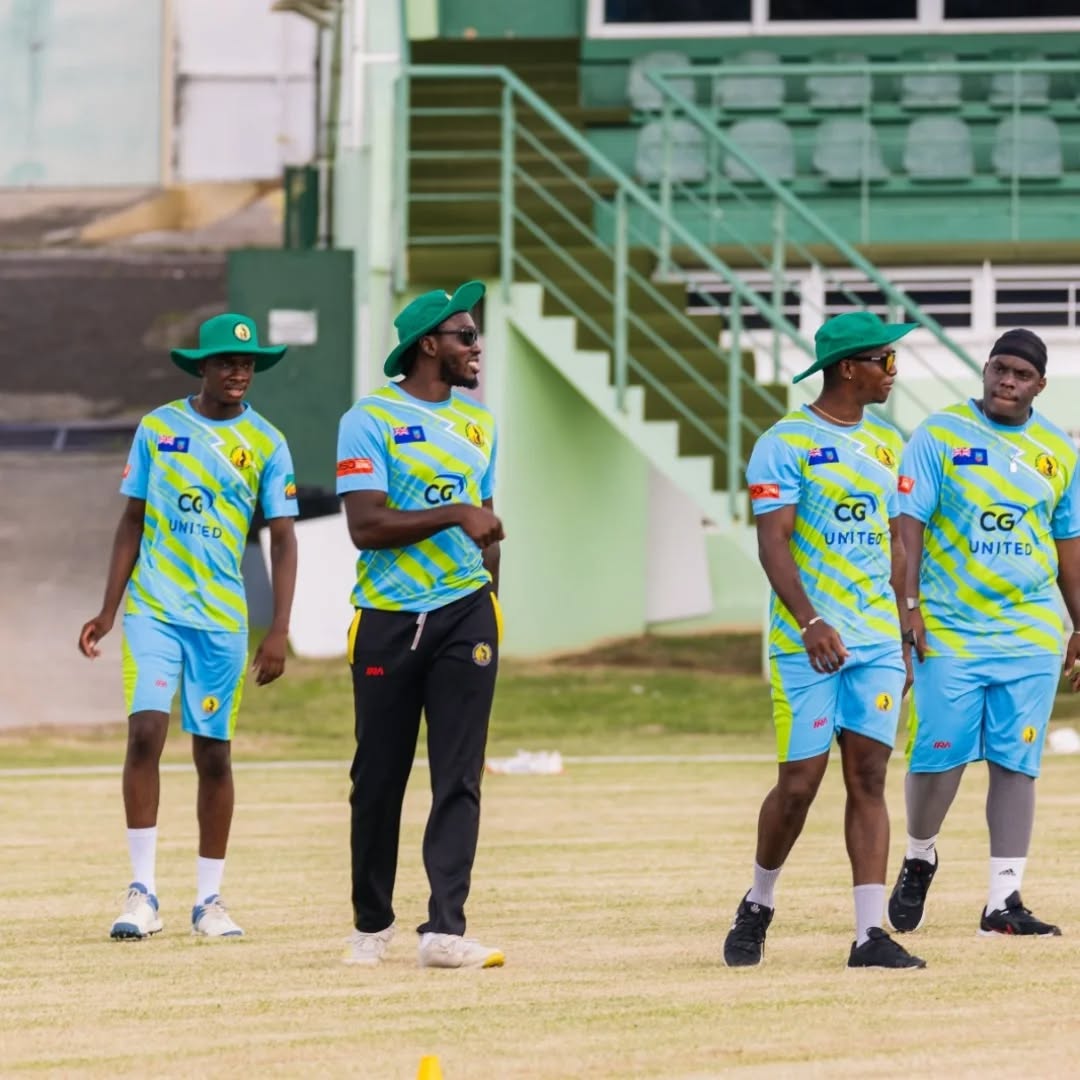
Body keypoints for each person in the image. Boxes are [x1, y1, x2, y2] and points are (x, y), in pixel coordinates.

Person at [79, 313, 298, 940]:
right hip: (155, 608)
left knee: (214, 754)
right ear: (201, 366)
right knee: (146, 733)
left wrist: (278, 628)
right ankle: (143, 894)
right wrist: (109, 607)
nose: (238, 373)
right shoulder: (159, 428)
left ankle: (210, 901)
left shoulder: (267, 442)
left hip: (222, 622)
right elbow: (131, 520)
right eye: (226, 361)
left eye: (248, 363)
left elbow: (282, 540)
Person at [723, 310, 926, 970]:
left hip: (873, 641)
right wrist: (811, 621)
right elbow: (772, 542)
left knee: (869, 776)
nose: (894, 373)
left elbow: (897, 540)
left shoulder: (889, 443)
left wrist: (902, 628)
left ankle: (870, 935)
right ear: (849, 367)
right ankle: (758, 902)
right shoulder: (784, 442)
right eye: (885, 361)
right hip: (808, 642)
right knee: (800, 785)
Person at [887, 329, 1080, 938]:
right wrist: (908, 606)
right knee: (938, 755)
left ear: (1040, 386)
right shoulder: (940, 434)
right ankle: (920, 855)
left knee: (1016, 762)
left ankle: (1003, 901)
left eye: (1022, 375)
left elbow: (1069, 544)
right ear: (986, 370)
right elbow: (907, 525)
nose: (1007, 381)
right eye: (999, 369)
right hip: (950, 627)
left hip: (1030, 631)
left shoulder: (1059, 451)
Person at [336, 281, 506, 970]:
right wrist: (455, 515)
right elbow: (365, 525)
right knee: (378, 778)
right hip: (389, 619)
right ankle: (371, 925)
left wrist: (492, 598)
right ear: (428, 345)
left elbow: (487, 520)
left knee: (458, 775)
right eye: (466, 336)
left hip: (467, 612)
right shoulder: (368, 419)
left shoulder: (479, 424)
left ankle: (444, 929)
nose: (477, 346)